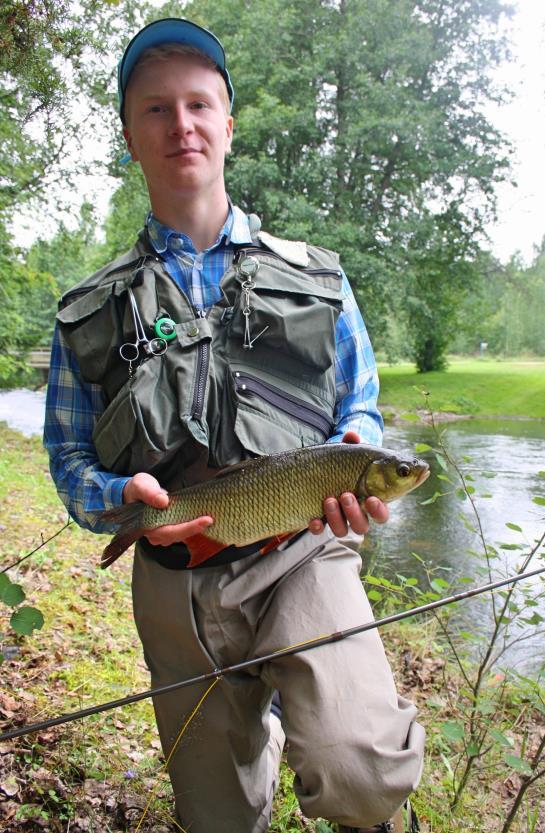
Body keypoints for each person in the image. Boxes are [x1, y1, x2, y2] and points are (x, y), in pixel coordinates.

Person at [44, 17, 424, 833]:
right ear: (129, 136)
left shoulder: (318, 275)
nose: (180, 124)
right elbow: (68, 457)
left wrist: (353, 452)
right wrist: (119, 495)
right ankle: (259, 733)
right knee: (217, 817)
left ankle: (320, 725)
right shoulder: (87, 310)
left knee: (360, 774)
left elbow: (358, 403)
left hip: (304, 551)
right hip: (177, 571)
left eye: (198, 104)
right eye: (155, 109)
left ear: (227, 122)